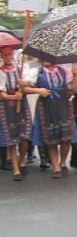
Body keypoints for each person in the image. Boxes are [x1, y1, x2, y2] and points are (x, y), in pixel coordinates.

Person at [28, 60, 77, 177]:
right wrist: (38, 90)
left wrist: (75, 76)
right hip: (46, 105)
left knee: (66, 137)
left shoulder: (63, 70)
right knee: (50, 138)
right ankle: (56, 167)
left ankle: (62, 163)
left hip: (63, 104)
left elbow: (74, 89)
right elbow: (25, 88)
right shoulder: (38, 72)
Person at [0, 45, 32, 180]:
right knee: (11, 139)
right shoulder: (0, 72)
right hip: (7, 107)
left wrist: (23, 84)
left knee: (24, 136)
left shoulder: (20, 70)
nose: (8, 57)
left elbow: (30, 85)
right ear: (1, 56)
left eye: (10, 55)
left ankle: (21, 158)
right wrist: (14, 97)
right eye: (5, 55)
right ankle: (16, 169)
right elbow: (1, 94)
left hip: (22, 106)